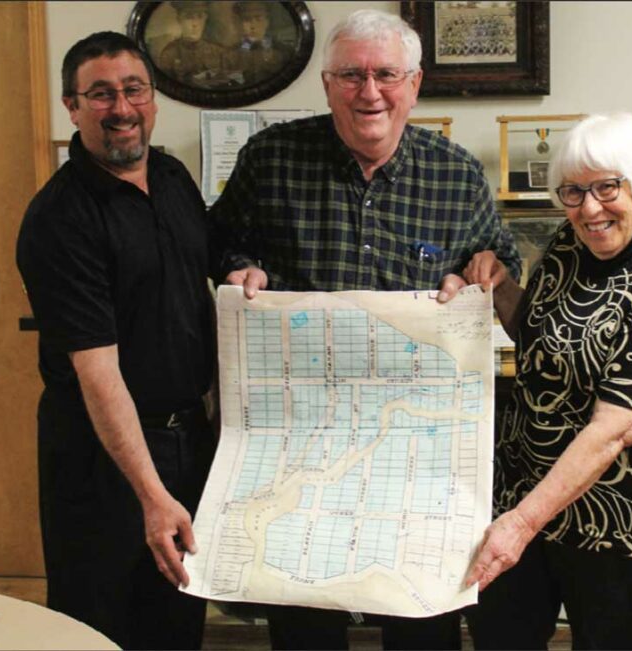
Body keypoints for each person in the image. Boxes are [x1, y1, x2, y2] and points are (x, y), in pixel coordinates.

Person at [208, 9, 521, 650]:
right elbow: (215, 243)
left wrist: (487, 273)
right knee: (303, 623)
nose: (369, 92)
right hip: (299, 452)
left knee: (423, 626)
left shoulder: (456, 174)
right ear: (327, 84)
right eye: (351, 75)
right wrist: (239, 270)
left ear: (414, 83)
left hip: (416, 456)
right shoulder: (270, 160)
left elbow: (502, 264)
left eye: (385, 74)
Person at [444, 113, 632, 650]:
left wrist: (520, 524)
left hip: (616, 520)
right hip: (522, 495)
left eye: (607, 187)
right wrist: (500, 285)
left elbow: (616, 426)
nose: (589, 208)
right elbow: (538, 334)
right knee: (499, 638)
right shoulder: (569, 244)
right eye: (574, 191)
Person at [16, 32, 216, 650]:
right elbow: (98, 373)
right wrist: (152, 495)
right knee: (98, 626)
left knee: (177, 621)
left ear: (154, 100)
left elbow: (208, 275)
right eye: (101, 95)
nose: (121, 108)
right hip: (102, 459)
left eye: (134, 90)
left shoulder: (175, 176)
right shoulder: (61, 218)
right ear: (71, 107)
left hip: (188, 442)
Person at [156, 1, 227, 88]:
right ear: (179, 20)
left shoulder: (218, 52)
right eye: (188, 17)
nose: (195, 24)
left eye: (200, 17)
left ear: (205, 19)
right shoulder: (169, 54)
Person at [230, 1, 293, 85]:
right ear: (240, 23)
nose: (253, 26)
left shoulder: (284, 51)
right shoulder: (231, 54)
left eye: (258, 19)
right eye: (247, 20)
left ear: (267, 22)